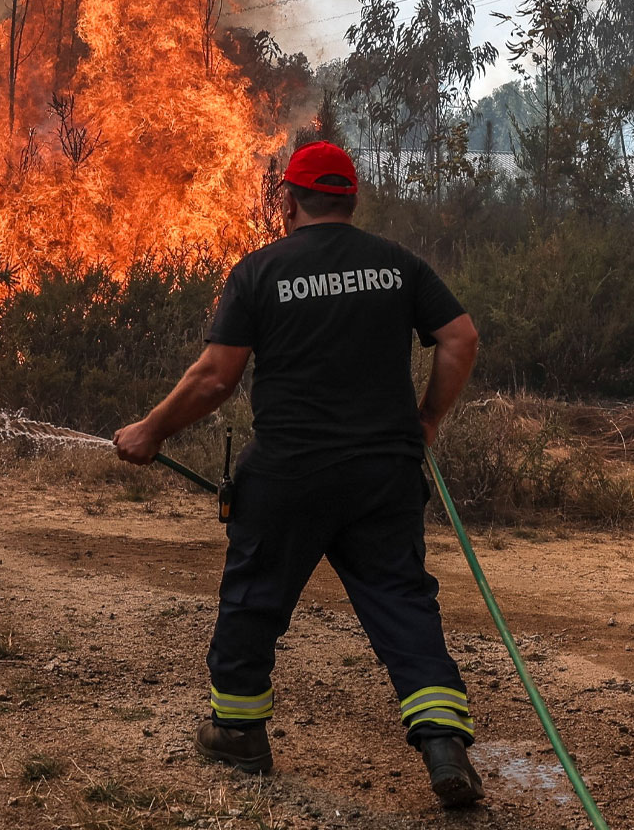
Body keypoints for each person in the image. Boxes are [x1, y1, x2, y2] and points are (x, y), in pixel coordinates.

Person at [113, 141, 484, 808]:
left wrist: (151, 430)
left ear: (288, 199)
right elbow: (461, 337)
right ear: (353, 198)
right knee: (401, 601)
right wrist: (426, 420)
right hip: (384, 473)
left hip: (289, 473)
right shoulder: (397, 265)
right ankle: (442, 744)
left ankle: (239, 734)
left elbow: (216, 378)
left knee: (255, 599)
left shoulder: (260, 271)